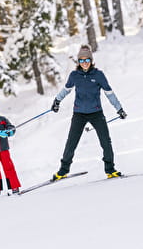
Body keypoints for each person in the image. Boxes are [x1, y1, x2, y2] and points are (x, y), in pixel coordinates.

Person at [50, 45, 127, 180]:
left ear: (91, 61)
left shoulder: (98, 75)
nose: (84, 63)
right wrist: (57, 101)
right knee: (71, 142)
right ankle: (63, 170)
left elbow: (109, 93)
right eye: (81, 60)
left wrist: (119, 108)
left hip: (96, 113)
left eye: (87, 60)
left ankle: (110, 169)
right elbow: (66, 90)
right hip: (79, 113)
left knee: (105, 141)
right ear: (78, 62)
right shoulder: (74, 76)